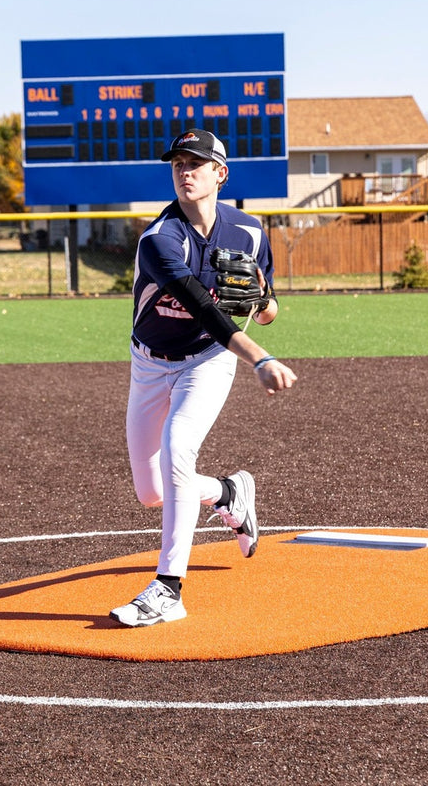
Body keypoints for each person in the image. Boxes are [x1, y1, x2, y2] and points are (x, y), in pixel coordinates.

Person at [110, 128, 297, 628]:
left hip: (208, 360)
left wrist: (260, 304)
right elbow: (203, 307)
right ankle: (227, 493)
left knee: (178, 449)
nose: (185, 171)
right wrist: (259, 358)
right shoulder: (159, 240)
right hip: (150, 364)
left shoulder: (249, 232)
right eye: (178, 164)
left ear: (221, 173)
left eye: (196, 163)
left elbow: (268, 308)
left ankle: (169, 588)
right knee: (152, 492)